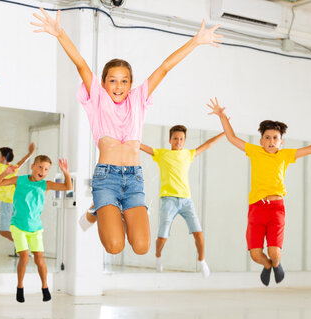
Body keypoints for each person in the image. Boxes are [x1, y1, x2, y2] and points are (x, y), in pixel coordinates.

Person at [31, 8, 222, 254]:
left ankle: (108, 210)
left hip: (134, 179)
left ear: (131, 84)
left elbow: (164, 68)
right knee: (114, 246)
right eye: (112, 80)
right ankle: (100, 209)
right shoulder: (97, 98)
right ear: (103, 83)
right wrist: (60, 33)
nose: (118, 86)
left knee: (142, 247)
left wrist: (195, 42)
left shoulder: (139, 98)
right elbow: (80, 64)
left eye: (124, 81)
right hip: (106, 178)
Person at [207, 97, 311, 285]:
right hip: (256, 208)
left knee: (274, 252)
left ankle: (276, 264)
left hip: (276, 208)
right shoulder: (254, 151)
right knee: (255, 255)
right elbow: (231, 138)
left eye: (275, 138)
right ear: (262, 140)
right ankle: (268, 266)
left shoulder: (285, 156)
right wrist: (222, 116)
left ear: (281, 143)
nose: (271, 141)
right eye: (267, 138)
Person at [140, 125, 224, 276]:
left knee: (198, 233)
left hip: (186, 201)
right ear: (170, 140)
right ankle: (158, 257)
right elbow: (141, 146)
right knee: (162, 237)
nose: (178, 141)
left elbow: (207, 144)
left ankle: (201, 261)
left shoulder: (188, 154)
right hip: (169, 200)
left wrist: (225, 132)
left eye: (181, 139)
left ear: (184, 141)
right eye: (175, 139)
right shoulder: (162, 154)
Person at [0, 155, 72, 303]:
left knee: (39, 259)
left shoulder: (45, 184)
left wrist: (66, 173)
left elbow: (67, 187)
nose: (42, 170)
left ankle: (45, 287)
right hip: (18, 226)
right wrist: (5, 172)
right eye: (40, 167)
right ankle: (20, 287)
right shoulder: (20, 180)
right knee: (24, 257)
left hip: (35, 228)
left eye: (46, 169)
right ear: (33, 167)